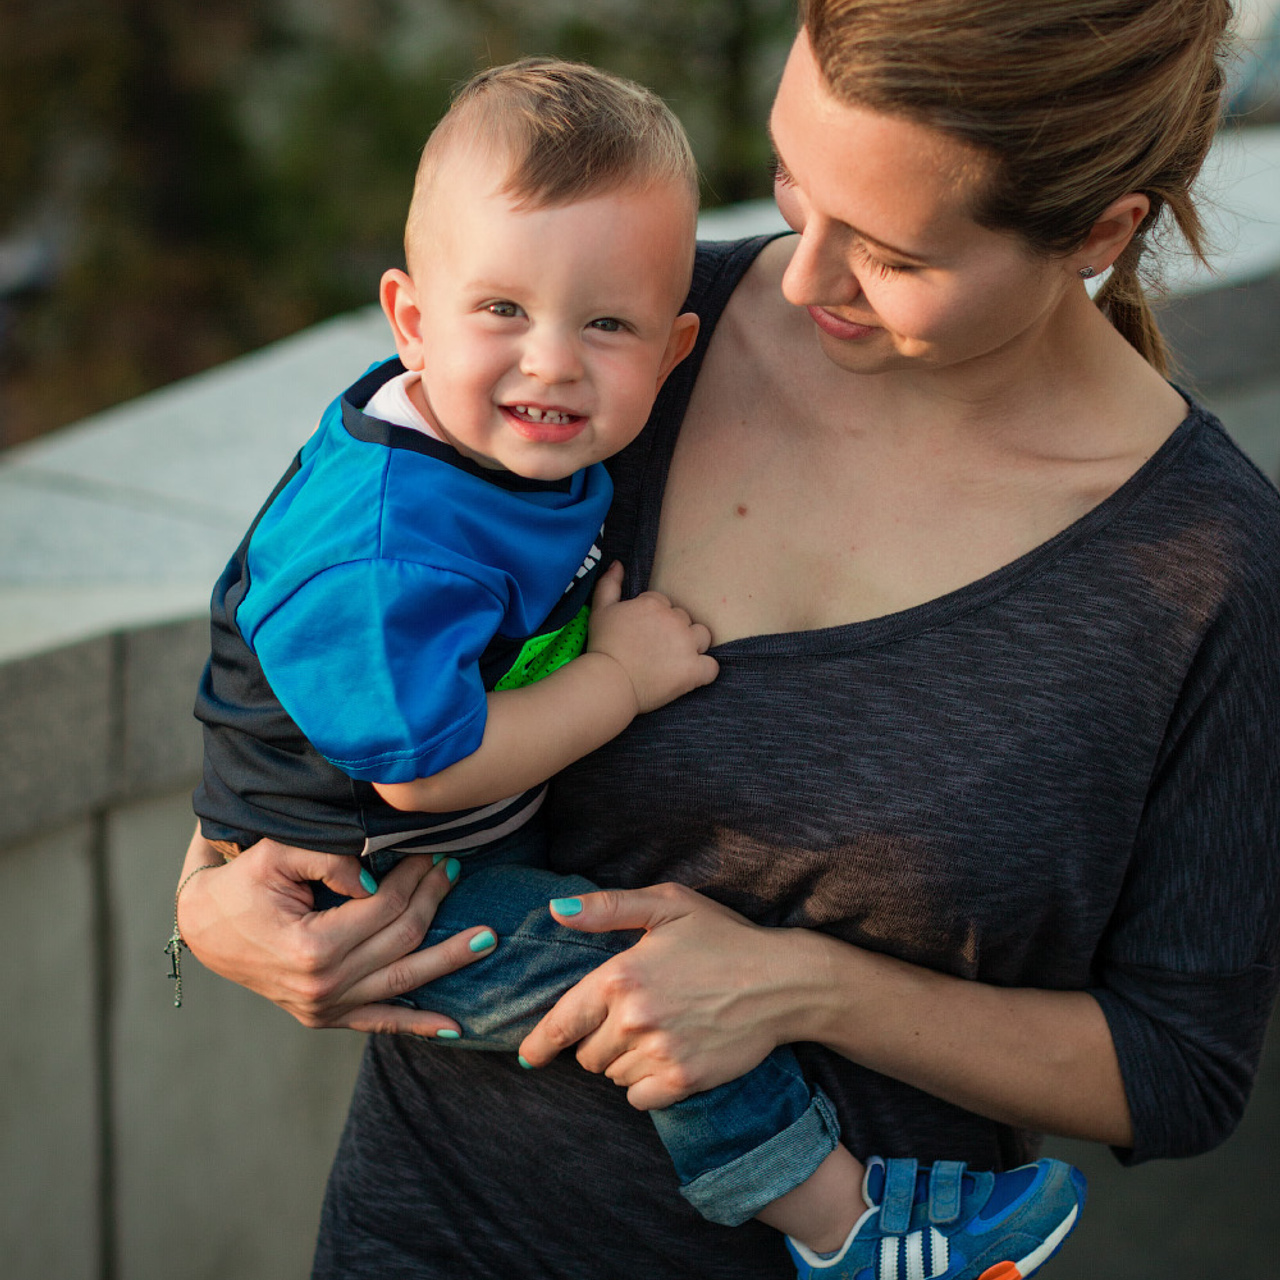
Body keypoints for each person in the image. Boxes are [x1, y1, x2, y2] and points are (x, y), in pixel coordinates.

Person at [174, 1, 1280, 1277]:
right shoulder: (608, 336)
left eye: (890, 254)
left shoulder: (1210, 565)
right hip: (421, 1236)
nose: (795, 279)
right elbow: (320, 624)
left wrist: (803, 985)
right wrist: (209, 900)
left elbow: (1179, 1071)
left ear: (1098, 232)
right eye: (792, 187)